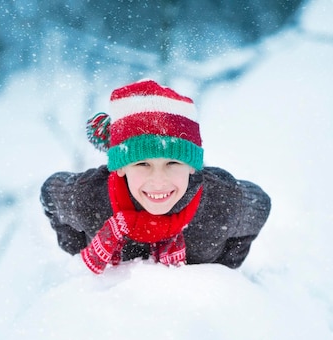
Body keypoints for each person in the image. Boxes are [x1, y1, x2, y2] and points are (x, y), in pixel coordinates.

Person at [40, 79, 271, 274]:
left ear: (192, 166)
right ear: (120, 168)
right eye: (142, 164)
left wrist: (220, 269)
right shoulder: (89, 196)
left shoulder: (222, 200)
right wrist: (77, 251)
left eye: (173, 163)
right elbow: (50, 192)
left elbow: (260, 205)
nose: (158, 180)